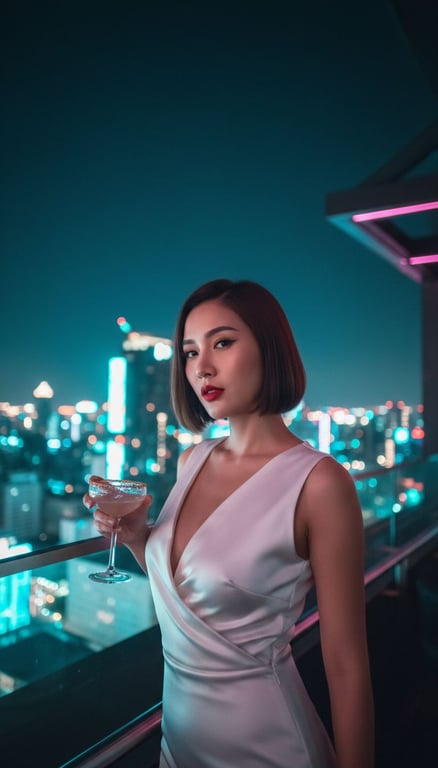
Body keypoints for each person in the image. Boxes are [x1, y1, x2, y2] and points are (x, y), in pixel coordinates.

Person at [84, 278, 375, 768]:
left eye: (222, 342)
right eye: (191, 353)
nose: (204, 368)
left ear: (270, 347)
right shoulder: (192, 460)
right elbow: (186, 600)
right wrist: (138, 540)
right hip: (178, 747)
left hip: (270, 748)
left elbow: (347, 667)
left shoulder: (320, 483)